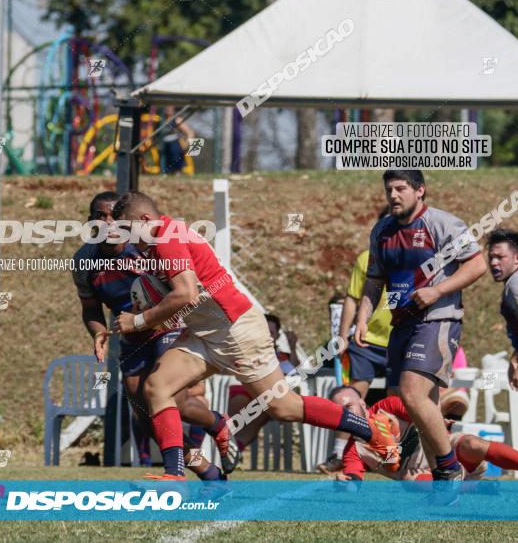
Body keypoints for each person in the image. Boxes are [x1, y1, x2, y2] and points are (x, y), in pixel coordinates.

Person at [111, 191, 396, 482]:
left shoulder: (167, 239)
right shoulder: (161, 239)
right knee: (158, 387)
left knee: (285, 408)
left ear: (145, 219)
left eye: (128, 229)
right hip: (207, 334)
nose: (129, 239)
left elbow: (186, 293)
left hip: (238, 332)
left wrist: (139, 320)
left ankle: (371, 430)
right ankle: (177, 476)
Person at [72, 191, 237, 479]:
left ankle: (215, 424)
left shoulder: (144, 247)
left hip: (168, 325)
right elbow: (91, 310)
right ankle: (206, 469)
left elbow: (182, 287)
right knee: (146, 416)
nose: (109, 222)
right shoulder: (84, 260)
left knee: (172, 399)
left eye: (114, 216)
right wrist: (98, 333)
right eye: (101, 217)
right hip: (131, 335)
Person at [355, 170, 487, 487]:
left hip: (438, 318)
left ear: (420, 191)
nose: (394, 195)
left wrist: (437, 291)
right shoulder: (382, 231)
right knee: (419, 405)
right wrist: (363, 316)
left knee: (413, 393)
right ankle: (451, 480)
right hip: (401, 324)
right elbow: (374, 280)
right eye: (389, 190)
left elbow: (477, 265)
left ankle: (448, 468)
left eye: (401, 188)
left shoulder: (443, 224)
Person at [330, 386, 518, 484]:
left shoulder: (387, 406)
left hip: (446, 455)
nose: (347, 413)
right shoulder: (353, 450)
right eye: (341, 411)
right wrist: (345, 483)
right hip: (428, 480)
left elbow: (422, 413)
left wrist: (438, 418)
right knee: (409, 480)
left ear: (363, 403)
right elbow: (354, 479)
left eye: (349, 406)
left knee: (473, 443)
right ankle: (474, 487)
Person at [321, 209, 393, 473]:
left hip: (400, 343)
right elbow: (352, 298)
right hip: (366, 342)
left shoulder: (412, 260)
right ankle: (339, 454)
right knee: (351, 396)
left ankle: (391, 453)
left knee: (397, 400)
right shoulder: (366, 258)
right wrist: (342, 336)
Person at [227, 313, 300, 451]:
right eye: (263, 330)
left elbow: (297, 374)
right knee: (244, 407)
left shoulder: (282, 356)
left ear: (277, 336)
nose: (267, 335)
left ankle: (234, 448)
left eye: (271, 332)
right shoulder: (241, 349)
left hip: (267, 398)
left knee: (267, 408)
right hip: (242, 392)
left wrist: (293, 347)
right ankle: (230, 446)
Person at [487, 229, 518, 409]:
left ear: (517, 258)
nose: (493, 262)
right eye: (491, 257)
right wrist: (517, 358)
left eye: (500, 257)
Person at [160, 106, 195, 175]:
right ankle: (166, 173)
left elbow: (190, 133)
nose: (168, 109)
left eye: (170, 108)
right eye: (167, 107)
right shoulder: (161, 120)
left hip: (175, 144)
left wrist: (186, 144)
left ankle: (177, 173)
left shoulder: (177, 120)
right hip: (164, 144)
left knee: (175, 157)